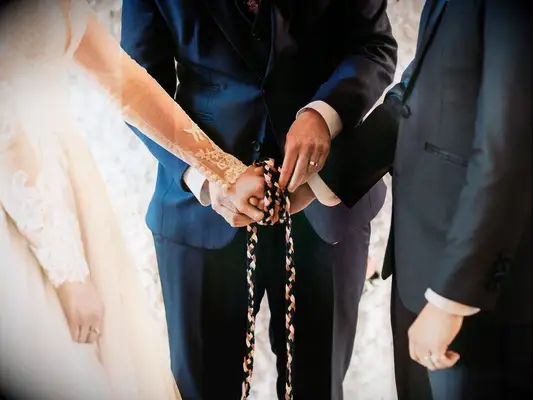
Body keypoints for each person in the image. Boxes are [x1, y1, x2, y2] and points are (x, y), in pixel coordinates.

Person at [0, 0, 280, 398]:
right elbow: (6, 129)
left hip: (70, 187)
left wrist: (226, 172)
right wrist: (66, 272)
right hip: (24, 213)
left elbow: (128, 84)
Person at [120, 1, 397, 398]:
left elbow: (374, 46)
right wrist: (212, 176)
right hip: (202, 218)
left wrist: (323, 113)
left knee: (317, 387)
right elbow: (136, 84)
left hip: (323, 213)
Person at [315, 0, 532, 398]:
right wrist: (322, 179)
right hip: (420, 269)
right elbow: (423, 88)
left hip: (472, 291)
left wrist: (454, 298)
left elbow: (512, 141)